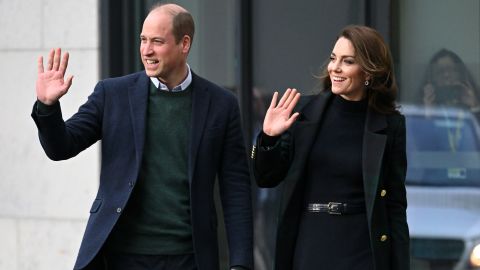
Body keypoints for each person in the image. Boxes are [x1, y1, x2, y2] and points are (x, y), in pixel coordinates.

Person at [32, 3, 252, 270]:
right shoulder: (112, 94)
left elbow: (236, 190)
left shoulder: (221, 104)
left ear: (184, 44)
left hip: (189, 257)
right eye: (143, 40)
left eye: (157, 42)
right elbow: (61, 147)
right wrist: (48, 107)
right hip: (121, 256)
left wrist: (240, 263)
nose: (146, 51)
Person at [251, 25, 410, 270]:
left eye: (347, 61)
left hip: (362, 250)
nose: (335, 67)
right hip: (310, 245)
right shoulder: (304, 112)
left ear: (368, 71)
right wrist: (269, 137)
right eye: (334, 58)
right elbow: (266, 177)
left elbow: (395, 205)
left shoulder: (390, 125)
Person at [418, 49, 480, 114]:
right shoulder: (426, 102)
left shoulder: (471, 98)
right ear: (432, 79)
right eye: (440, 71)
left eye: (451, 70)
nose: (446, 75)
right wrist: (427, 111)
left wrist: (474, 106)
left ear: (460, 73)